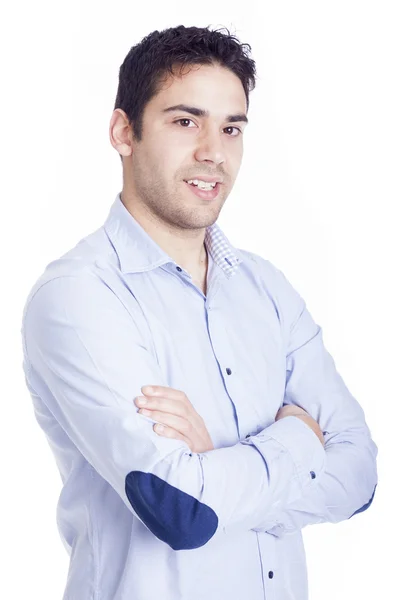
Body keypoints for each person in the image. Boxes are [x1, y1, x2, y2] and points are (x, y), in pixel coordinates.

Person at [20, 24, 378, 600]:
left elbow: (360, 476)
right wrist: (298, 438)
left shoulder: (267, 289)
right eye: (186, 122)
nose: (213, 151)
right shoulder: (78, 297)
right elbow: (182, 509)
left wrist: (217, 458)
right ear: (123, 131)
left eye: (231, 127)